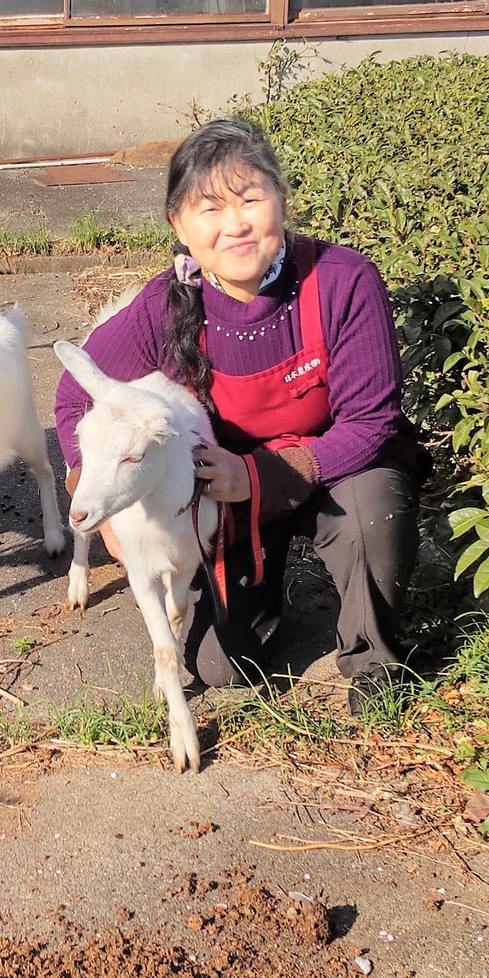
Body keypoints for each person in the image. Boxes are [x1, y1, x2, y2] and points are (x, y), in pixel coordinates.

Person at [54, 118, 429, 714]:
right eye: (209, 208)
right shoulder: (162, 307)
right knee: (222, 667)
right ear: (179, 225)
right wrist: (92, 482)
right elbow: (77, 397)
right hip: (230, 500)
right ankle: (269, 600)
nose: (235, 225)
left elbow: (371, 422)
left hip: (338, 471)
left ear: (281, 200)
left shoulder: (343, 282)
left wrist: (263, 475)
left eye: (251, 198)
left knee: (372, 508)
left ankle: (373, 657)